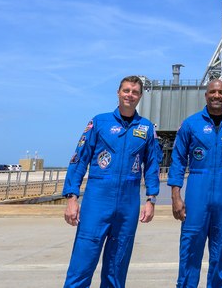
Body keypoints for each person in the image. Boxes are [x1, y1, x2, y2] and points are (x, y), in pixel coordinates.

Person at [61, 75, 161, 288]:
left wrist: (151, 199)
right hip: (97, 201)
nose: (130, 95)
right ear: (118, 92)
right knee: (82, 264)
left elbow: (152, 165)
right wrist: (71, 197)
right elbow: (79, 159)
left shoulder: (146, 129)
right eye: (126, 90)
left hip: (128, 205)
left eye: (134, 92)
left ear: (140, 96)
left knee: (117, 269)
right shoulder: (99, 122)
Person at [167, 79, 222, 288]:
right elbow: (177, 161)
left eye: (221, 92)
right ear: (206, 95)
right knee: (190, 249)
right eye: (213, 92)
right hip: (197, 189)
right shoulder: (190, 124)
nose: (216, 96)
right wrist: (176, 196)